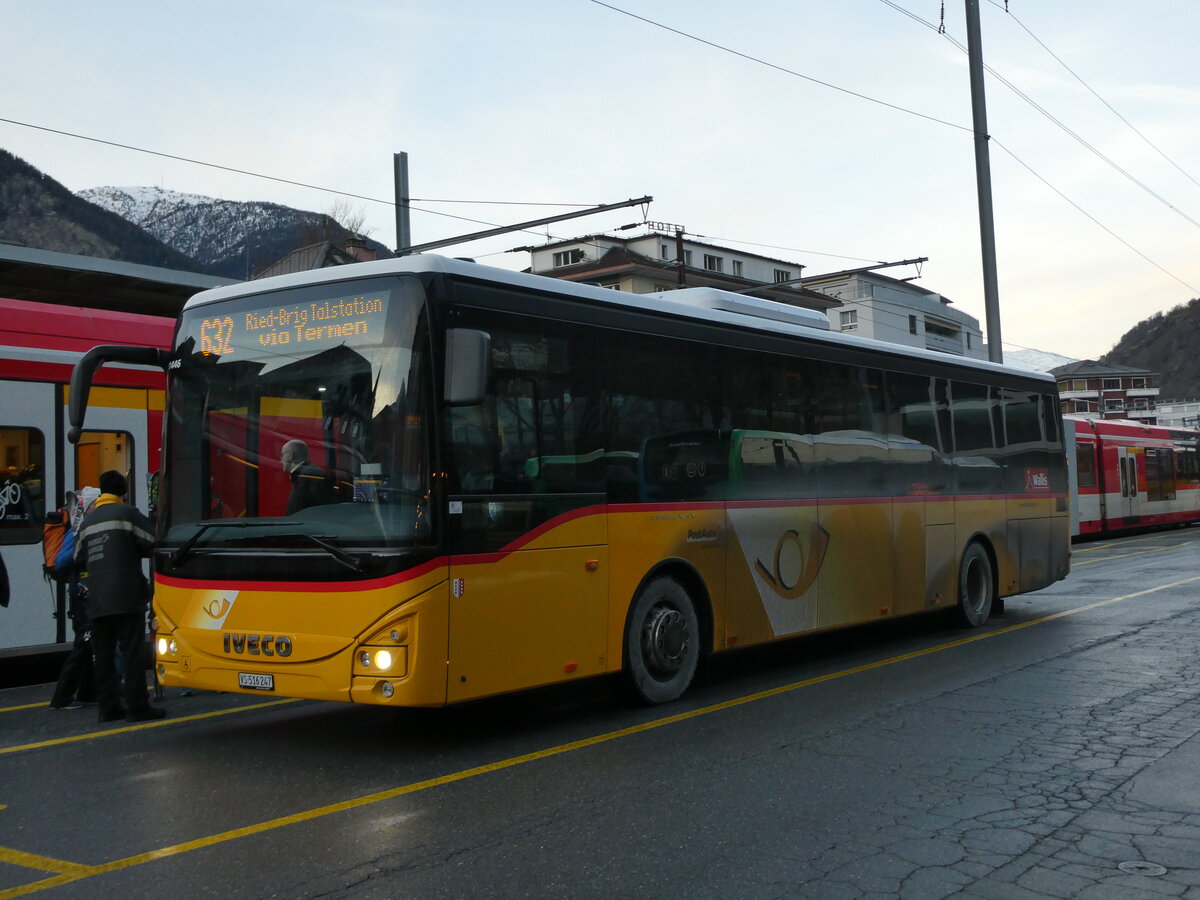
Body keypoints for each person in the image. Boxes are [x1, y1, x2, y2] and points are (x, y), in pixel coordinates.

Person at [74, 470, 164, 723]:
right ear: (122, 491)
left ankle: (108, 708)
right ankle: (137, 707)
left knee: (102, 655)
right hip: (126, 595)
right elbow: (152, 541)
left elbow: (78, 558)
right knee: (132, 652)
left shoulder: (88, 522)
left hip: (97, 597)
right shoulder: (127, 514)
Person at [48, 490, 98, 710]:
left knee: (87, 644)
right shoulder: (77, 532)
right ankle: (61, 698)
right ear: (89, 506)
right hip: (81, 595)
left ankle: (87, 693)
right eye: (98, 503)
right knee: (83, 644)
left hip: (85, 593)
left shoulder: (85, 528)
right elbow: (61, 562)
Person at [281, 439, 332, 514]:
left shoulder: (310, 475)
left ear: (290, 455)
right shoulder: (309, 473)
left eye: (282, 455)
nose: (281, 460)